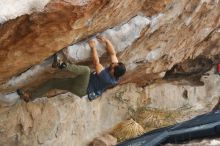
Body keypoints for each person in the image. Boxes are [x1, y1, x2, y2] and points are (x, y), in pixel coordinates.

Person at [17, 36, 126, 102]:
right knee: (53, 82)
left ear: (113, 72)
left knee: (86, 71)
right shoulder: (115, 71)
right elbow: (112, 53)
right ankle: (30, 97)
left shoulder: (107, 79)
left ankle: (61, 65)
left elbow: (96, 63)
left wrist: (93, 48)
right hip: (80, 85)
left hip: (83, 89)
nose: (112, 64)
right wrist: (106, 41)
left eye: (113, 66)